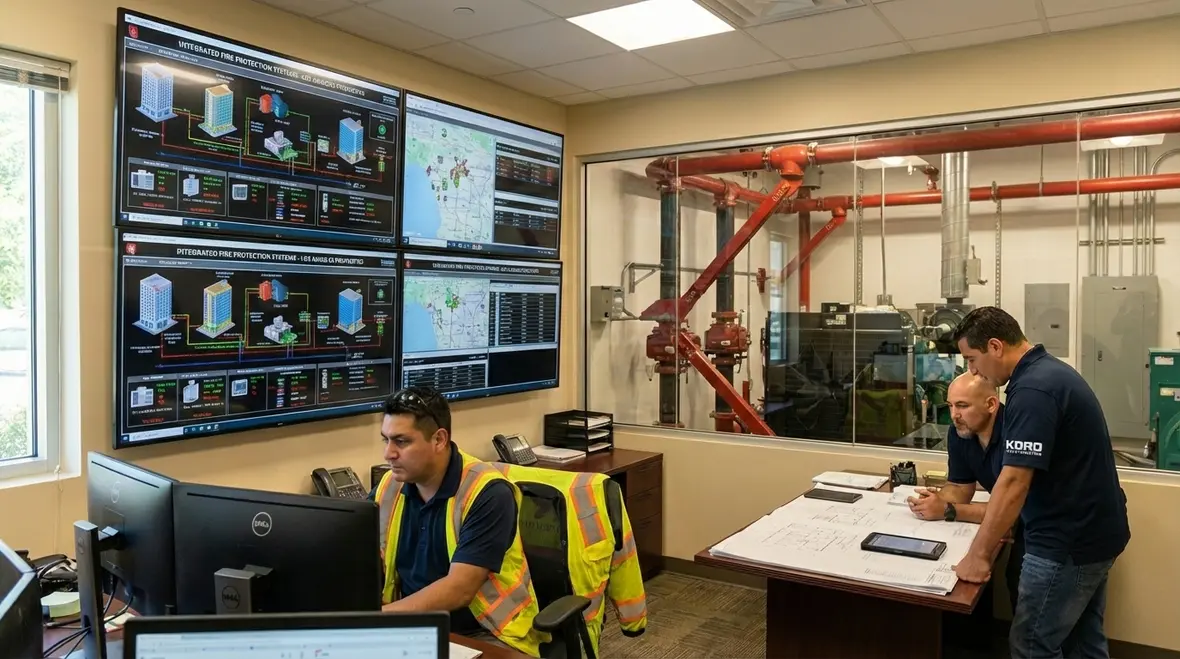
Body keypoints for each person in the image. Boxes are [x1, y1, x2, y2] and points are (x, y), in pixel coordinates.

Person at [949, 307, 1130, 659]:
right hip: (1094, 533)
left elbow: (1014, 480)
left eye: (972, 359)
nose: (972, 370)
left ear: (996, 347)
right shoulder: (1048, 374)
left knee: (1031, 646)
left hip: (1066, 542)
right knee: (1082, 643)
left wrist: (979, 556)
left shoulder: (1032, 389)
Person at [374, 386, 546, 656]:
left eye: (401, 441)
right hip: (415, 625)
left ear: (439, 439)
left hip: (488, 631)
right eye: (385, 440)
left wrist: (378, 617)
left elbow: (459, 589)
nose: (388, 454)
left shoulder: (487, 492)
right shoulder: (390, 487)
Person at [905, 372, 1023, 611]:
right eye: (950, 406)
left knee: (1022, 587)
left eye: (962, 406)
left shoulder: (1017, 430)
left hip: (1052, 529)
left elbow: (1012, 512)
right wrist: (936, 500)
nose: (954, 415)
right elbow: (960, 486)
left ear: (990, 404)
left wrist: (949, 510)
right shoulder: (961, 431)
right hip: (1021, 524)